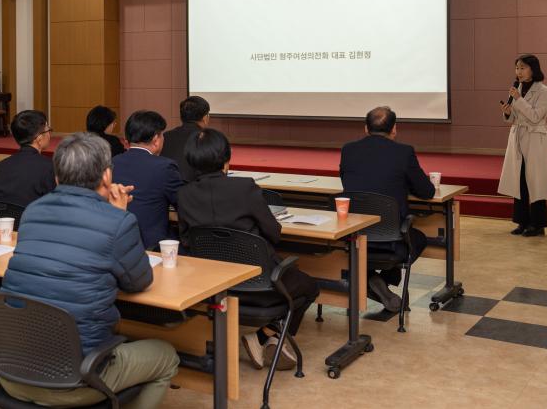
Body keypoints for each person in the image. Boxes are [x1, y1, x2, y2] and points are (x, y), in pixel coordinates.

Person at [0, 132, 179, 408]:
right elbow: (139, 280)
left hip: (10, 370)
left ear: (57, 177)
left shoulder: (33, 211)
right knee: (166, 355)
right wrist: (119, 215)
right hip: (74, 380)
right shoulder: (117, 221)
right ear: (107, 176)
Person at [177, 128, 320, 371]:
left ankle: (265, 336)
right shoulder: (244, 187)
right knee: (310, 286)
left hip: (212, 285)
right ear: (226, 158)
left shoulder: (184, 195)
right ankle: (267, 335)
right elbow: (274, 233)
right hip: (259, 282)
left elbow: (187, 240)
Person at [339, 106, 435, 312]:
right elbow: (427, 191)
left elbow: (347, 181)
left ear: (366, 129)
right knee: (420, 238)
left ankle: (371, 278)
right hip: (391, 239)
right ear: (394, 130)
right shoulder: (403, 152)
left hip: (353, 235)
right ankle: (379, 278)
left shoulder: (348, 150)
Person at [498, 54, 547, 237]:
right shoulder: (517, 88)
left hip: (535, 138)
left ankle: (538, 224)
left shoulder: (544, 91)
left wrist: (519, 100)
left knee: (535, 181)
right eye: (517, 68)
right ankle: (522, 221)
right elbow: (514, 117)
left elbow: (536, 116)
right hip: (518, 136)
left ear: (533, 69)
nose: (518, 72)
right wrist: (507, 113)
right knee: (519, 179)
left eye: (522, 68)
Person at [112, 110, 182, 249]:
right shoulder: (164, 167)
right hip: (152, 246)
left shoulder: (111, 162)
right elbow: (183, 203)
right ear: (156, 140)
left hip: (115, 241)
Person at [0, 110, 55, 207]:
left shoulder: (1, 166)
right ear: (39, 138)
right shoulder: (48, 166)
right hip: (34, 221)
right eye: (48, 130)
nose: (49, 134)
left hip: (7, 221)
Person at [161, 96, 211, 182]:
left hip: (166, 187)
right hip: (194, 189)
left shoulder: (166, 136)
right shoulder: (207, 139)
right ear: (204, 118)